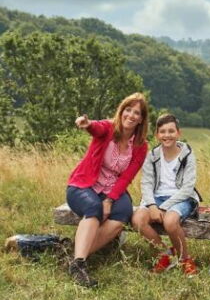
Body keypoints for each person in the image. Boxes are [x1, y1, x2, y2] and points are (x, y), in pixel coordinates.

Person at [66, 92, 149, 287]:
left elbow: (127, 177)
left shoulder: (140, 145)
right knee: (94, 208)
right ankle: (79, 265)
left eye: (136, 113)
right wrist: (87, 124)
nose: (131, 115)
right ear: (121, 111)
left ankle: (75, 257)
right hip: (83, 184)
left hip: (111, 189)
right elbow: (97, 128)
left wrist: (110, 200)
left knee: (123, 214)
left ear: (141, 119)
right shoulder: (108, 128)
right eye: (128, 110)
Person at [132, 113, 201, 275]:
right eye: (162, 131)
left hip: (181, 198)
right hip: (156, 197)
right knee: (137, 220)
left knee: (170, 222)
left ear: (178, 133)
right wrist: (152, 206)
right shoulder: (152, 155)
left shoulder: (187, 155)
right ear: (157, 135)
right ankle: (165, 255)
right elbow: (146, 183)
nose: (167, 135)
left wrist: (163, 208)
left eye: (171, 131)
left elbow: (187, 188)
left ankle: (185, 259)